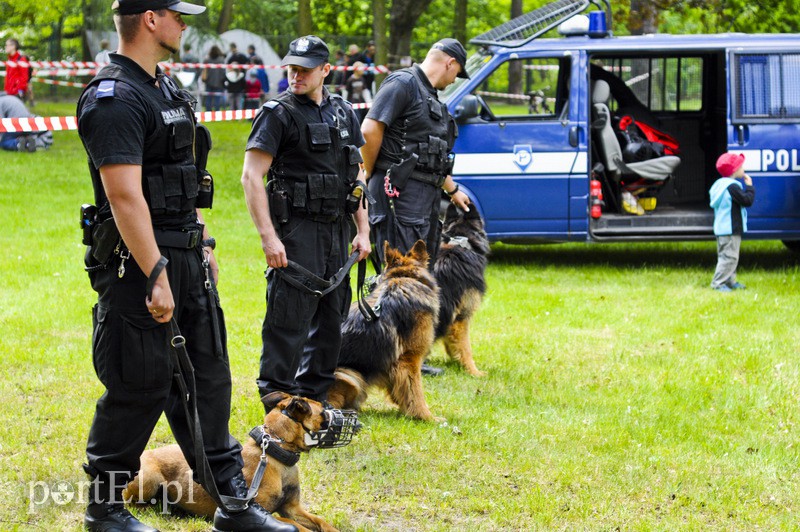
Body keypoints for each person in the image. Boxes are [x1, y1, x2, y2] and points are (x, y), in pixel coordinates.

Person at [75, 1, 298, 531]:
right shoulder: (113, 98)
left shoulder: (167, 89)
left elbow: (185, 177)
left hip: (186, 255)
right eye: (177, 14)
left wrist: (203, 242)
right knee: (139, 387)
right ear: (149, 19)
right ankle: (104, 511)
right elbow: (124, 195)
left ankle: (234, 507)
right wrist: (155, 272)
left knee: (208, 382)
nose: (184, 23)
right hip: (139, 263)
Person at [240, 35, 371, 406]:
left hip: (337, 229)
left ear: (325, 70)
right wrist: (269, 238)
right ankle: (277, 401)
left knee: (331, 319)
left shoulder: (344, 111)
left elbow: (357, 174)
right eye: (291, 69)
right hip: (296, 229)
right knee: (289, 317)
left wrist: (363, 229)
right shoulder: (277, 113)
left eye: (305, 69)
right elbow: (251, 176)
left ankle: (314, 400)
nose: (296, 76)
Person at [360, 38, 472, 376]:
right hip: (397, 197)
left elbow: (428, 155)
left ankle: (408, 355)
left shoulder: (430, 97)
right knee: (400, 279)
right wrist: (370, 175)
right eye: (457, 73)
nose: (454, 80)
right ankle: (390, 355)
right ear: (450, 63)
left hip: (423, 198)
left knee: (418, 278)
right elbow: (370, 129)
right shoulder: (403, 84)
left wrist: (452, 190)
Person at [709, 152, 755, 292]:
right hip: (730, 228)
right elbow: (747, 201)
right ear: (734, 170)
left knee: (728, 256)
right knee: (729, 257)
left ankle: (730, 281)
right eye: (741, 167)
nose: (743, 169)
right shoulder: (732, 187)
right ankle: (718, 283)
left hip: (723, 228)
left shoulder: (720, 185)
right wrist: (750, 187)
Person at [201, 44, 226, 111]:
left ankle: (208, 112)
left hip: (208, 82)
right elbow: (223, 72)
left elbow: (204, 70)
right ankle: (217, 113)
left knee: (208, 99)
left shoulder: (207, 59)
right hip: (218, 83)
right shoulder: (221, 60)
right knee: (217, 99)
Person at [225, 43, 248, 111]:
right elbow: (247, 64)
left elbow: (228, 67)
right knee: (239, 103)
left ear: (231, 48)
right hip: (241, 81)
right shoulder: (243, 56)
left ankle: (232, 114)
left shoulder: (231, 57)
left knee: (231, 103)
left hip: (231, 85)